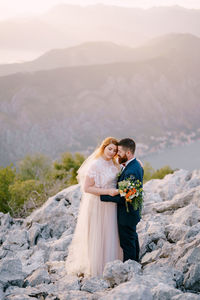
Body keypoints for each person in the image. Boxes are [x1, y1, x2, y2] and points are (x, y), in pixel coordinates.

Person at [65, 137, 123, 278]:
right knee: (98, 233)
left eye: (114, 150)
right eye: (109, 148)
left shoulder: (115, 165)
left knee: (111, 232)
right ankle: (97, 268)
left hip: (111, 204)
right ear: (103, 147)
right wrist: (107, 192)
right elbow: (87, 188)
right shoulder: (95, 165)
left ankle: (112, 264)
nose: (111, 152)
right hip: (98, 204)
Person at [100, 138, 144, 263]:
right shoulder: (134, 165)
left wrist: (102, 195)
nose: (117, 154)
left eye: (119, 151)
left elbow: (126, 197)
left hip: (127, 213)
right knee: (132, 238)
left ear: (128, 153)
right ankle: (136, 262)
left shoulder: (131, 171)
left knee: (127, 243)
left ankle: (131, 267)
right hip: (132, 212)